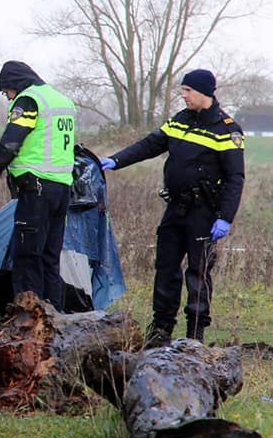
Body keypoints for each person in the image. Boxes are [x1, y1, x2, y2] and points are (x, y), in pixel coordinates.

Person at [100, 69, 245, 345]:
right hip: (175, 208)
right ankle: (161, 330)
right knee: (165, 268)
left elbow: (235, 178)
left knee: (198, 273)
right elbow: (150, 145)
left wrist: (225, 217)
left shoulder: (227, 129)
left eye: (188, 90)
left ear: (204, 92)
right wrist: (115, 161)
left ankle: (195, 334)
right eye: (182, 90)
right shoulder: (180, 120)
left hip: (203, 212)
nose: (183, 95)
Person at [0, 61, 77, 310]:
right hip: (62, 189)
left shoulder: (28, 101)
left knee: (27, 258)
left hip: (36, 190)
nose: (7, 97)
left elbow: (11, 143)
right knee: (50, 259)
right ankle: (54, 322)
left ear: (14, 84)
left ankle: (27, 324)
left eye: (6, 92)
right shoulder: (61, 100)